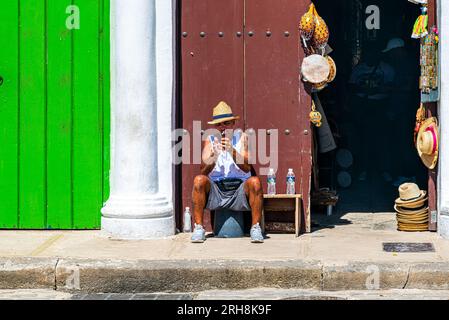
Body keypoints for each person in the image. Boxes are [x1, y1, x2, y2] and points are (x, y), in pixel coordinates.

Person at [191, 101, 264, 244]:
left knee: (255, 182)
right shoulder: (210, 139)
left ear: (233, 124)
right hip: (217, 189)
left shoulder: (242, 137)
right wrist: (214, 156)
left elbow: (247, 167)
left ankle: (255, 228)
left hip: (239, 189)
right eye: (218, 125)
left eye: (226, 123)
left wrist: (232, 151)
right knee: (199, 180)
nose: (222, 128)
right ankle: (199, 228)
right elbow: (203, 170)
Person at [348, 43, 396, 183]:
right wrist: (362, 90)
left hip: (380, 106)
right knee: (363, 139)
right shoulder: (358, 69)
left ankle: (384, 170)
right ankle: (363, 170)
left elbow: (392, 88)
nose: (370, 57)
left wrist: (378, 90)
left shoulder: (387, 69)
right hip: (364, 106)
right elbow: (350, 86)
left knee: (382, 140)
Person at [382, 37, 421, 186]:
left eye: (392, 53)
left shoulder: (406, 67)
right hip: (403, 109)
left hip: (404, 110)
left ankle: (409, 174)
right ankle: (406, 173)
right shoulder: (405, 65)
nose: (390, 56)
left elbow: (405, 90)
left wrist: (394, 109)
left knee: (405, 142)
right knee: (402, 141)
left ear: (398, 52)